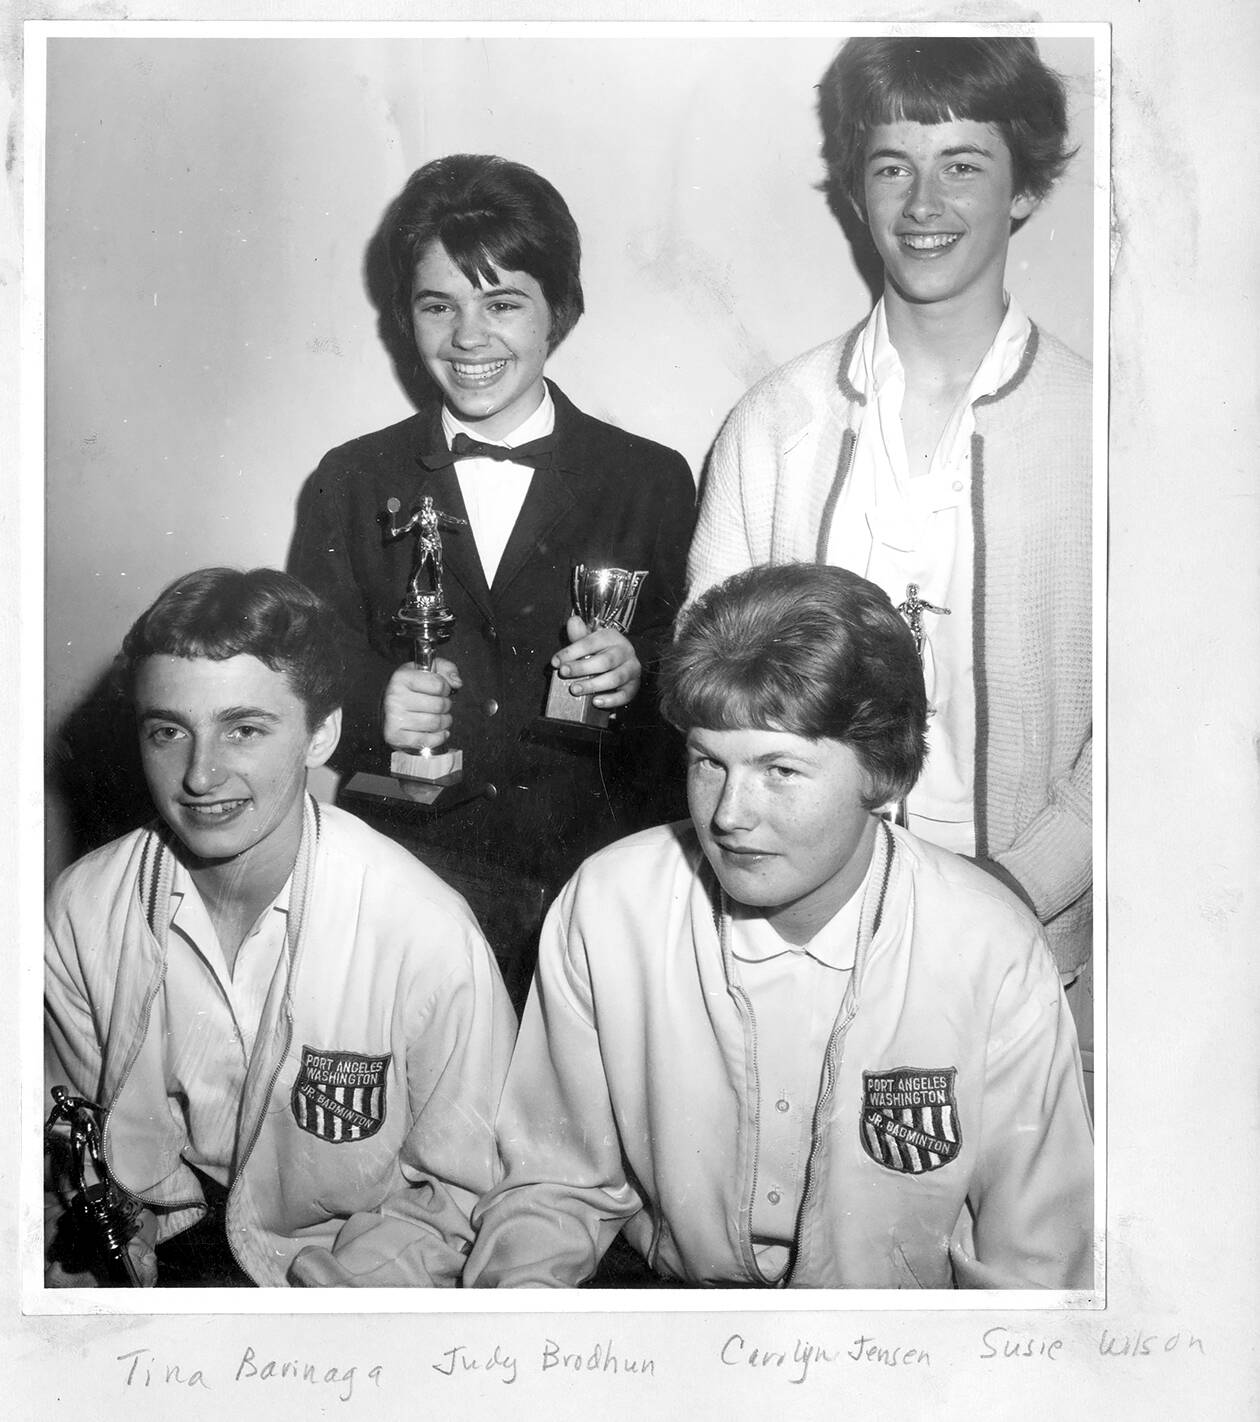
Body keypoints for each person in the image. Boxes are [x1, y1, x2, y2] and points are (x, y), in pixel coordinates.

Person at [464, 564, 1093, 1290]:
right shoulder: (609, 903)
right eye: (708, 763)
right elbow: (551, 1190)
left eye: (781, 771)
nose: (729, 815)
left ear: (883, 771)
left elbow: (1036, 1268)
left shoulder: (991, 945)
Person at [687, 38, 1092, 982]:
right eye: (892, 167)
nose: (923, 205)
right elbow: (712, 699)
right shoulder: (771, 424)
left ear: (1023, 188)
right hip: (795, 936)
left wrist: (1019, 886)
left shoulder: (1104, 432)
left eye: (963, 166)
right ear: (855, 188)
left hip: (1023, 939)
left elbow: (1150, 726)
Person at [289, 154, 696, 1006]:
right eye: (438, 305)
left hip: (597, 875)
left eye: (502, 303)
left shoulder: (649, 479)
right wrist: (371, 700)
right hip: (411, 870)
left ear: (561, 313)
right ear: (405, 315)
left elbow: (689, 664)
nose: (468, 337)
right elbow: (306, 665)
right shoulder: (350, 480)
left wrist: (637, 670)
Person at [44, 568, 516, 1288]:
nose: (200, 775)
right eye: (168, 731)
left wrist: (339, 1303)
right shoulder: (84, 906)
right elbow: (72, 1138)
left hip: (352, 1267)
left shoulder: (426, 931)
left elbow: (463, 1193)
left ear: (321, 734)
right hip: (173, 1240)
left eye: (244, 730)